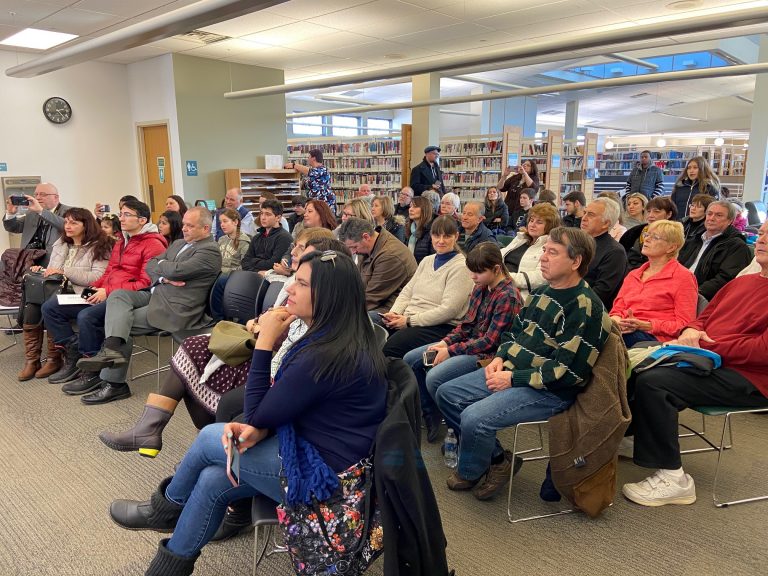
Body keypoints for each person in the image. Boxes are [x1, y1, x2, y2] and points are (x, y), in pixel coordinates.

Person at [108, 249, 387, 575]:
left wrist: (265, 341)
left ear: (329, 295)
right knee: (212, 479)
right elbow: (287, 406)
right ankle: (165, 567)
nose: (289, 288)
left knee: (210, 438)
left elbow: (255, 411)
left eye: (301, 283)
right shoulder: (339, 336)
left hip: (326, 480)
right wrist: (262, 427)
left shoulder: (323, 354)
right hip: (320, 453)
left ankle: (164, 509)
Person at [97, 233, 346, 460]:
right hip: (261, 345)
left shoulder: (314, 298)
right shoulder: (294, 282)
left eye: (301, 248)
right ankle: (163, 432)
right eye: (297, 246)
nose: (293, 251)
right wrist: (258, 323)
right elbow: (155, 266)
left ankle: (192, 442)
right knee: (195, 348)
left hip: (269, 358)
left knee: (198, 362)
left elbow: (287, 338)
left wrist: (265, 330)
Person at [435, 227, 611, 501]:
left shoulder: (585, 307)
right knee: (446, 393)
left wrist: (512, 379)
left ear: (576, 261)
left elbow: (567, 373)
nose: (543, 257)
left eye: (553, 252)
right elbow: (514, 332)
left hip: (549, 389)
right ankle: (497, 460)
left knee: (474, 417)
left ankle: (471, 471)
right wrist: (500, 357)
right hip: (513, 369)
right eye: (544, 250)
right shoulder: (542, 292)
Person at [622, 221, 768, 508]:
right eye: (762, 234)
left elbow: (762, 352)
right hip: (708, 357)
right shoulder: (742, 282)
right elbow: (703, 318)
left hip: (751, 377)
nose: (761, 240)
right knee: (638, 366)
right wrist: (692, 331)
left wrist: (707, 344)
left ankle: (674, 478)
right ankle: (630, 437)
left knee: (656, 382)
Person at [75, 207, 221, 405]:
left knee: (120, 324)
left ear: (205, 228)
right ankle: (111, 351)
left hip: (175, 308)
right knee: (118, 296)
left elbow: (176, 270)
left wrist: (164, 270)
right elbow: (151, 264)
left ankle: (114, 383)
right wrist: (163, 276)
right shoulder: (179, 243)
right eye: (184, 224)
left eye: (190, 226)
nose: (184, 229)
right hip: (157, 294)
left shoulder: (210, 250)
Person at [41, 199, 167, 389]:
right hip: (105, 292)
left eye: (127, 215)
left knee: (86, 317)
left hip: (125, 298)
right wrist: (94, 289)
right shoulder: (122, 241)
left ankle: (92, 370)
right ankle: (73, 350)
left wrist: (107, 291)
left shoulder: (153, 245)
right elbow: (109, 273)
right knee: (51, 307)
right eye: (121, 214)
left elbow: (146, 283)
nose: (121, 218)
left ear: (142, 220)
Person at [403, 243, 522, 442]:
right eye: (471, 271)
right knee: (411, 359)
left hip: (489, 356)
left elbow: (490, 342)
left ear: (496, 269)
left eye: (478, 272)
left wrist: (451, 351)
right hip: (471, 344)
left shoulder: (508, 296)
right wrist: (445, 342)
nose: (472, 277)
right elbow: (467, 325)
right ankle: (432, 411)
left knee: (434, 378)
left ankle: (460, 431)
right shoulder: (480, 287)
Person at [18, 209, 113, 382]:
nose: (68, 226)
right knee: (32, 306)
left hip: (87, 292)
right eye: (67, 222)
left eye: (74, 223)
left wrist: (65, 271)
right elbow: (54, 272)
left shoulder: (100, 245)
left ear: (86, 225)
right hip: (60, 290)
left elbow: (97, 277)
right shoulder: (61, 243)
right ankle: (39, 359)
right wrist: (42, 271)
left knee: (49, 307)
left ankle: (66, 353)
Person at [380, 216, 474, 358]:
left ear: (456, 236)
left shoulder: (461, 267)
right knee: (370, 334)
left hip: (439, 326)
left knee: (390, 347)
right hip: (409, 319)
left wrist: (409, 321)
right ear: (431, 236)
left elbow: (449, 310)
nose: (441, 241)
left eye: (447, 236)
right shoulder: (427, 260)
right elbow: (407, 292)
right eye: (436, 235)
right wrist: (394, 313)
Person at [609, 220, 698, 347]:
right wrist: (616, 322)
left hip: (655, 338)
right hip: (625, 330)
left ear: (671, 247)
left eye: (655, 237)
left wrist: (647, 325)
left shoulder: (684, 277)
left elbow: (685, 324)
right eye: (647, 234)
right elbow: (617, 309)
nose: (647, 239)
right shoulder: (633, 275)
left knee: (609, 339)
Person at [339, 217, 417, 313]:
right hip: (374, 303)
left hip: (390, 310)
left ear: (366, 237)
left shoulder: (390, 255)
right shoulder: (366, 248)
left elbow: (371, 298)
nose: (353, 252)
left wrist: (341, 312)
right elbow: (358, 284)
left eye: (354, 247)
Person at [678, 200, 753, 300]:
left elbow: (725, 279)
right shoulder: (695, 239)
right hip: (679, 288)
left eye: (719, 215)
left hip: (702, 297)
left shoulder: (737, 246)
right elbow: (677, 264)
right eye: (709, 214)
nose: (711, 218)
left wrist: (695, 293)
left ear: (730, 221)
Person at [500, 202, 561, 299]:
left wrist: (504, 277)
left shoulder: (550, 247)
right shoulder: (521, 238)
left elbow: (540, 278)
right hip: (501, 284)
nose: (532, 225)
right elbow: (500, 254)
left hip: (520, 294)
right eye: (531, 220)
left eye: (539, 222)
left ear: (550, 226)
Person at [3, 182, 71, 266]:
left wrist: (41, 211)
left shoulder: (70, 211)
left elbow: (67, 226)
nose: (38, 197)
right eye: (36, 194)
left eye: (43, 194)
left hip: (54, 262)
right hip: (29, 261)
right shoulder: (32, 213)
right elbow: (13, 228)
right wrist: (11, 213)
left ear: (56, 197)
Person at [580, 198, 628, 309]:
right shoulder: (577, 243)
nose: (584, 218)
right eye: (584, 213)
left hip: (590, 309)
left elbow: (601, 293)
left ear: (606, 223)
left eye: (590, 215)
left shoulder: (615, 252)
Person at [620, 196, 677, 271]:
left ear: (669, 214)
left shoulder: (676, 235)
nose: (650, 215)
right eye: (649, 211)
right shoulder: (635, 231)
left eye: (656, 211)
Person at [241, 200, 293, 273]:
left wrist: (253, 261)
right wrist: (258, 271)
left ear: (278, 218)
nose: (263, 217)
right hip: (254, 274)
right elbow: (244, 262)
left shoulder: (284, 238)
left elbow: (273, 264)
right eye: (262, 213)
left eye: (268, 214)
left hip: (272, 276)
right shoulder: (257, 237)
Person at [405, 196, 436, 263]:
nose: (410, 209)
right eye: (410, 206)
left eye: (415, 207)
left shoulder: (432, 230)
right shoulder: (410, 229)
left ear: (425, 209)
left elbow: (433, 259)